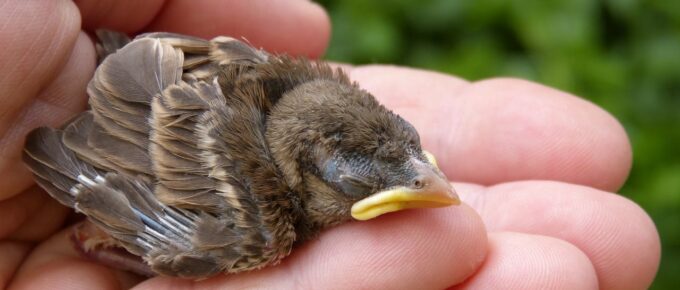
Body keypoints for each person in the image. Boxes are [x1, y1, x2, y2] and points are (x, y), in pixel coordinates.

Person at [0, 1, 660, 289]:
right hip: (120, 116)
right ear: (309, 176)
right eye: (351, 181)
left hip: (150, 75)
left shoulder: (313, 95)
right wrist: (118, 228)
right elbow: (155, 219)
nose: (422, 177)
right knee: (204, 249)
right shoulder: (259, 224)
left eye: (410, 154)